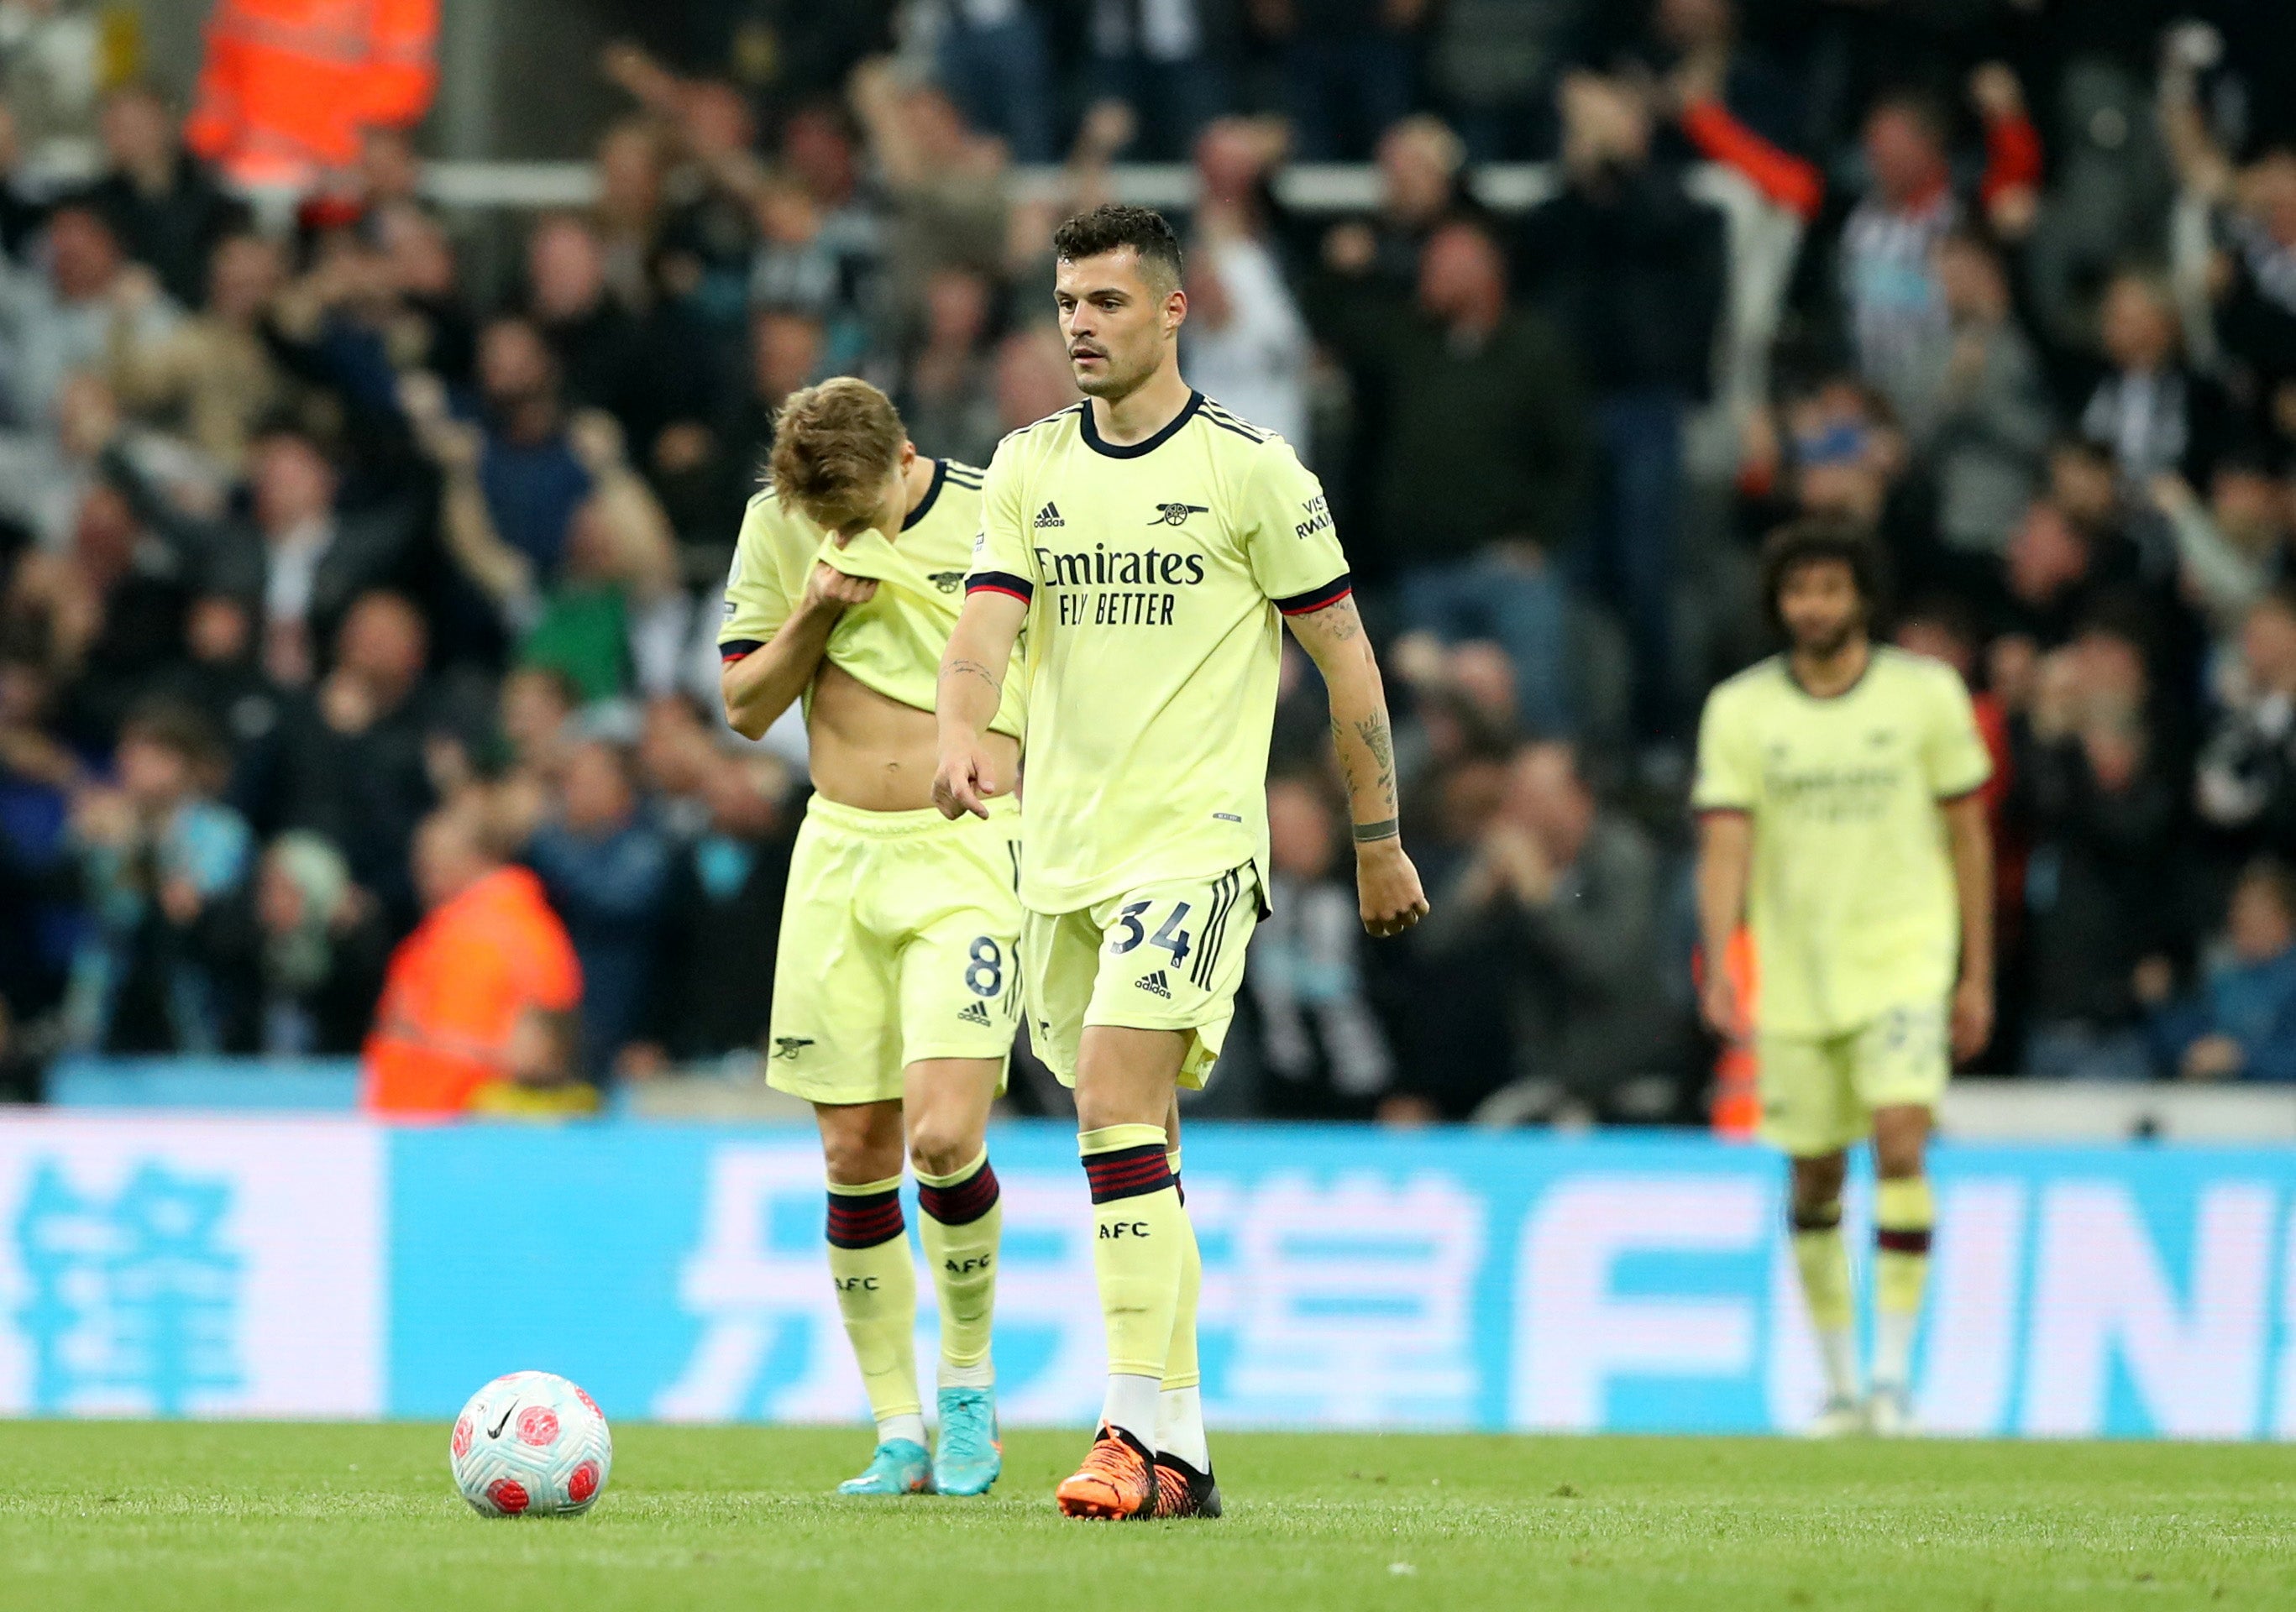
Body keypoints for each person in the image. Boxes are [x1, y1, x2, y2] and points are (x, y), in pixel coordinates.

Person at [936, 204, 1427, 1519]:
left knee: (1108, 1105)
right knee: (1140, 1141)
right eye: (1066, 304)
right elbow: (983, 630)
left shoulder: (1253, 471)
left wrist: (1375, 838)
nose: (1080, 326)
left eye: (1105, 303)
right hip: (1062, 853)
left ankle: (1117, 1430)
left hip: (1194, 847)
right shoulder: (1029, 465)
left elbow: (1346, 660)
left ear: (1170, 311)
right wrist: (965, 731)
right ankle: (1185, 1455)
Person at [719, 377, 1022, 1500]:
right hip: (837, 857)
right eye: (822, 521)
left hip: (968, 853)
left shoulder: (1003, 513)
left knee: (944, 1137)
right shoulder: (780, 524)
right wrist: (817, 607)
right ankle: (898, 1430)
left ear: (905, 460)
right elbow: (746, 705)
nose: (842, 537)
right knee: (853, 1155)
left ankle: (967, 1385)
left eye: (860, 516)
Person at [1692, 521, 1994, 1437]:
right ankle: (1836, 1386)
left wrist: (1975, 971)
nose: (1813, 606)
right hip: (1794, 969)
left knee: (1901, 1140)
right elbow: (1723, 844)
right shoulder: (1740, 710)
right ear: (1777, 602)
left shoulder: (1926, 695)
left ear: (1862, 595)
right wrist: (1719, 958)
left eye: (1830, 588)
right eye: (1797, 591)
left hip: (1905, 955)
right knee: (1814, 1173)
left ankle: (1894, 1381)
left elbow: (1967, 837)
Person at [359, 799, 584, 1117]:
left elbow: (535, 1050)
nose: (422, 878)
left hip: (465, 1131)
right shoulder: (455, 928)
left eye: (433, 864)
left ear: (476, 858)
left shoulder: (503, 933)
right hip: (431, 1125)